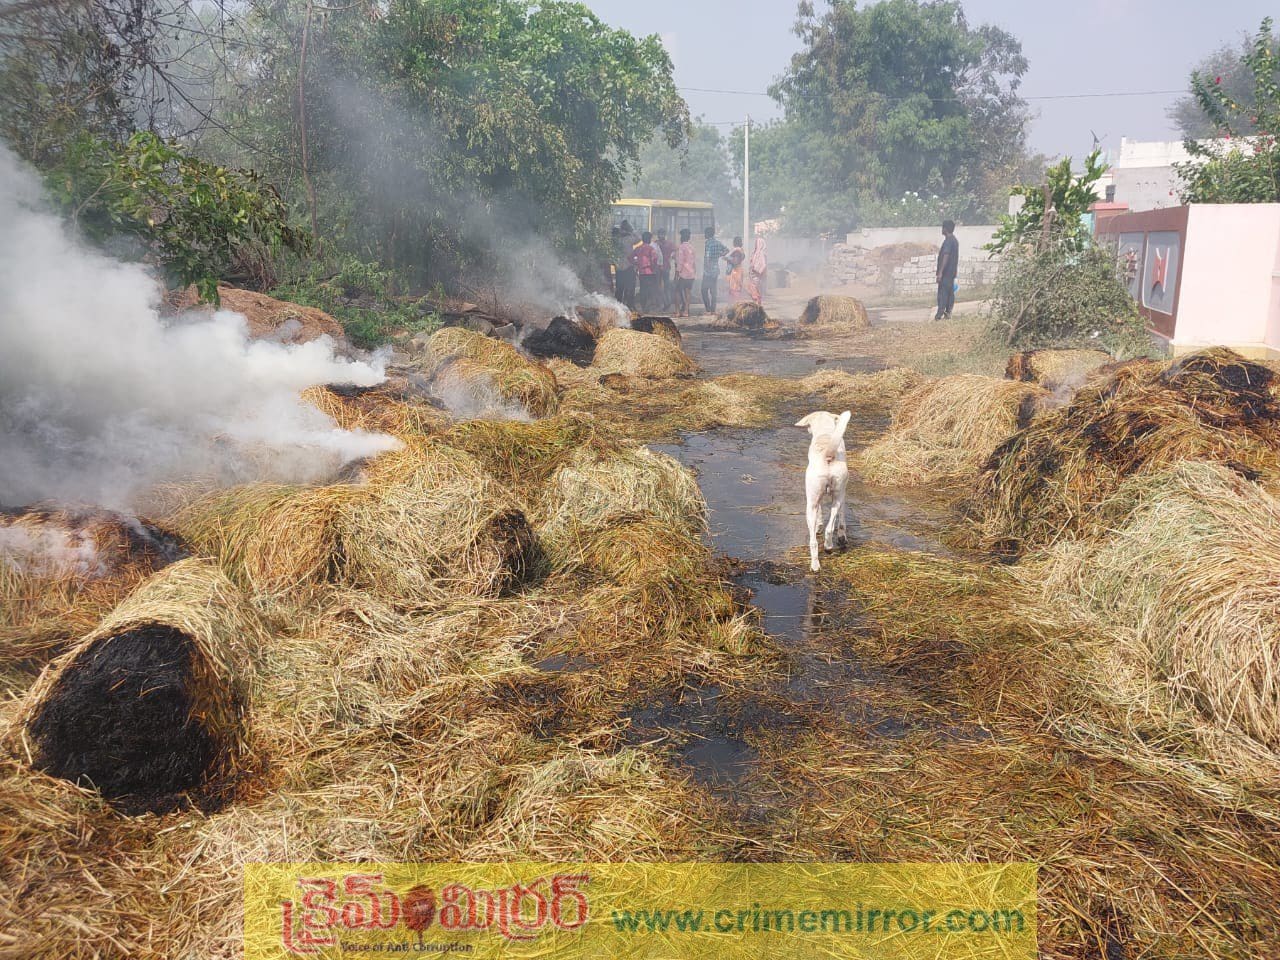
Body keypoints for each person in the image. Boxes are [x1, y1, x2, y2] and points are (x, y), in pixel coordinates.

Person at [630, 230, 662, 311]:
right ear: (649, 239)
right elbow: (654, 260)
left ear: (643, 239)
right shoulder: (651, 249)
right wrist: (654, 268)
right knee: (651, 290)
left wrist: (637, 263)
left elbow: (630, 257)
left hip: (642, 273)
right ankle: (649, 306)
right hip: (651, 272)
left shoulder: (638, 248)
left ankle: (643, 306)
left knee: (643, 289)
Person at [701, 226, 729, 314]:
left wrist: (707, 267)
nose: (704, 235)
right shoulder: (718, 243)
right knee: (713, 290)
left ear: (708, 234)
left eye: (705, 233)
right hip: (716, 269)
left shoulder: (708, 243)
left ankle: (708, 309)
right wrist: (719, 255)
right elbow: (727, 250)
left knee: (703, 290)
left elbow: (707, 257)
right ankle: (713, 310)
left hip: (708, 270)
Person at [935, 219, 959, 320]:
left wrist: (940, 272)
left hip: (946, 273)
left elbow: (946, 256)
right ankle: (948, 313)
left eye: (943, 227)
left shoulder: (948, 241)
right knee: (949, 293)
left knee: (943, 294)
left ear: (946, 229)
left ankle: (939, 315)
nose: (942, 229)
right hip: (951, 273)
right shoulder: (954, 240)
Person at [614, 220, 638, 310]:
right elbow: (639, 238)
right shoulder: (630, 238)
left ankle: (618, 306)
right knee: (630, 288)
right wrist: (631, 230)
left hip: (619, 268)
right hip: (628, 267)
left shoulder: (616, 240)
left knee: (619, 288)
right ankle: (630, 306)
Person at [674, 227, 697, 318]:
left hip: (682, 274)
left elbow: (680, 261)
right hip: (691, 274)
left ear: (682, 237)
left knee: (677, 291)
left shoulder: (681, 247)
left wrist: (677, 273)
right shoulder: (692, 247)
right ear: (689, 237)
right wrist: (694, 272)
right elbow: (694, 262)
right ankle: (686, 311)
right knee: (688, 292)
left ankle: (677, 311)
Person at [655, 227, 676, 309]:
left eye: (662, 234)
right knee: (662, 286)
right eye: (660, 234)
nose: (661, 235)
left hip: (662, 267)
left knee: (661, 285)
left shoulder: (657, 243)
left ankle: (665, 302)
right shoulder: (668, 243)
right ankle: (665, 302)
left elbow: (674, 251)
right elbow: (675, 251)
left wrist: (671, 257)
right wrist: (671, 257)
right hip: (662, 267)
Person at [747, 231, 768, 305]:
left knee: (756, 293)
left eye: (757, 243)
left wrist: (756, 270)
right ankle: (756, 306)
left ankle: (758, 307)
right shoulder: (755, 253)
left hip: (757, 276)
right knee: (752, 292)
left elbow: (763, 265)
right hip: (753, 276)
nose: (755, 244)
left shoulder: (761, 254)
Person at [725, 236, 746, 303]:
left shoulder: (736, 250)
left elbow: (735, 261)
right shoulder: (741, 250)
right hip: (739, 270)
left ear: (734, 242)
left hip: (736, 271)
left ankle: (735, 304)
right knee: (737, 288)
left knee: (735, 289)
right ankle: (736, 304)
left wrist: (727, 258)